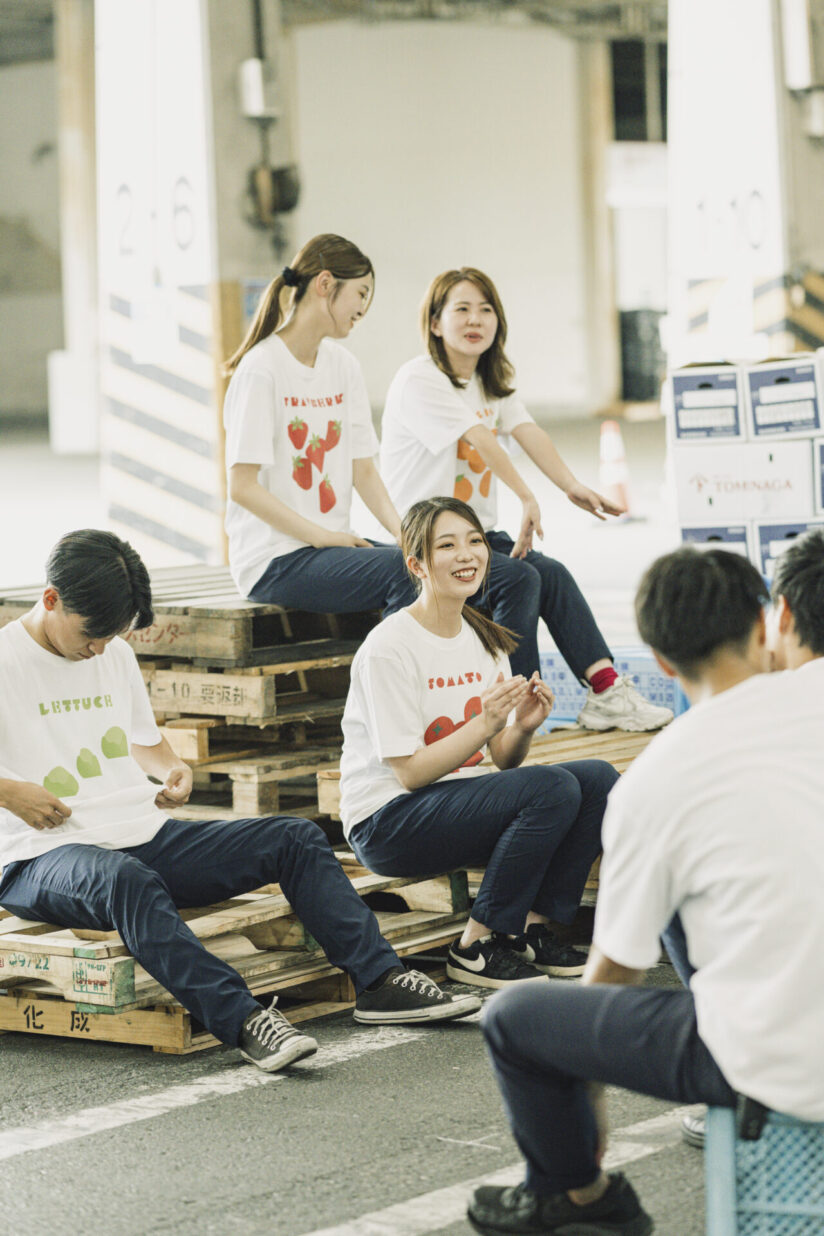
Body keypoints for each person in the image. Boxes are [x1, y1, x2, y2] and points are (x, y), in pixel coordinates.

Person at [0, 531, 480, 1074]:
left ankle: (381, 981)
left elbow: (142, 740)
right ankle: (246, 1020)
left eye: (112, 636)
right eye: (92, 635)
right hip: (37, 856)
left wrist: (172, 768)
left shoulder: (114, 653)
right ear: (51, 599)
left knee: (294, 837)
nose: (100, 648)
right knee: (127, 881)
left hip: (140, 835)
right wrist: (10, 792)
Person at [466, 540, 824, 1236]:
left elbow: (614, 973)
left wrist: (589, 1090)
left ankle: (578, 1195)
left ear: (659, 661)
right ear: (766, 623)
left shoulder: (659, 776)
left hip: (780, 1065)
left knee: (515, 1020)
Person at [339, 496, 619, 991]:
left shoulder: (484, 638)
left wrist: (522, 727)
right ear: (417, 565)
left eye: (475, 541)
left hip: (453, 806)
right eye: (447, 545)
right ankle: (474, 946)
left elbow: (502, 762)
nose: (466, 554)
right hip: (388, 821)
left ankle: (531, 931)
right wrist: (485, 723)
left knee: (598, 780)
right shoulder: (389, 647)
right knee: (552, 787)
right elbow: (410, 773)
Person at [379, 267, 673, 733]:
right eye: (461, 309)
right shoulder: (420, 379)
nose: (475, 319)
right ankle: (520, 709)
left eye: (486, 309)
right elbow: (479, 438)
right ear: (435, 323)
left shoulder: (488, 381)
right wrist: (526, 495)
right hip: (426, 545)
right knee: (519, 578)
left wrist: (571, 486)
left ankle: (606, 691)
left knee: (550, 573)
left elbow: (527, 430)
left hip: (475, 537)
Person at [222, 232, 417, 617]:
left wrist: (405, 535)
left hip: (327, 549)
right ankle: (391, 660)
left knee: (429, 565)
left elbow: (363, 470)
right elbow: (242, 488)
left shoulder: (344, 366)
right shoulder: (262, 369)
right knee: (403, 572)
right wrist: (324, 537)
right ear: (325, 284)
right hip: (274, 560)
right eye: (361, 293)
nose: (363, 308)